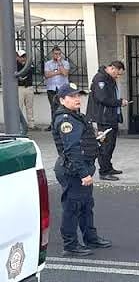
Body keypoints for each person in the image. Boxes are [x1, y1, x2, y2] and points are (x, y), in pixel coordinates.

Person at [52, 83, 112, 257]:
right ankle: (70, 245)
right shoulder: (66, 120)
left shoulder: (76, 116)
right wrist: (83, 173)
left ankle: (90, 238)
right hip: (73, 170)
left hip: (82, 167)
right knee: (72, 208)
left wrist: (96, 139)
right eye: (72, 96)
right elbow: (72, 149)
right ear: (62, 100)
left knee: (86, 205)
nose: (77, 99)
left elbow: (82, 140)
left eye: (78, 95)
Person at [86, 61, 129, 181]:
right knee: (105, 145)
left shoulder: (109, 79)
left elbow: (111, 96)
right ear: (113, 68)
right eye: (118, 74)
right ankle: (104, 171)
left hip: (111, 116)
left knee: (111, 145)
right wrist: (119, 102)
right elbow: (103, 98)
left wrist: (119, 101)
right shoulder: (100, 79)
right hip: (104, 117)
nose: (118, 77)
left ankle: (108, 167)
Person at [44, 46, 70, 131]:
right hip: (51, 88)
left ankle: (63, 123)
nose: (57, 55)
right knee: (53, 107)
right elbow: (47, 75)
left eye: (59, 54)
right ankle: (54, 125)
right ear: (52, 54)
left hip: (62, 88)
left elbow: (65, 73)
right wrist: (58, 72)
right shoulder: (48, 64)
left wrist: (59, 63)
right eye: (55, 54)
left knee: (63, 107)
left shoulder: (65, 63)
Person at [16, 49, 35, 130]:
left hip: (29, 87)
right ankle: (19, 125)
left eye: (24, 56)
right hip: (20, 87)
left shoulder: (29, 64)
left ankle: (31, 124)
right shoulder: (15, 65)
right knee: (19, 107)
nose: (23, 58)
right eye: (21, 57)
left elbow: (31, 71)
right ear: (17, 57)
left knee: (29, 107)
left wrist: (25, 64)